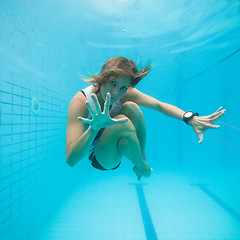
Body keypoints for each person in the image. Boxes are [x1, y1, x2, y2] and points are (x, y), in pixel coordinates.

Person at [65, 56, 225, 180]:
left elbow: (159, 105)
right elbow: (71, 160)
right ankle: (143, 168)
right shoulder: (81, 101)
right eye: (113, 83)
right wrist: (93, 128)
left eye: (123, 87)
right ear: (102, 77)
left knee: (131, 107)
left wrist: (189, 118)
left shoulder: (125, 93)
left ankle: (141, 157)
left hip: (117, 140)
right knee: (123, 123)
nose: (116, 93)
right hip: (100, 157)